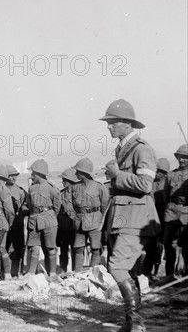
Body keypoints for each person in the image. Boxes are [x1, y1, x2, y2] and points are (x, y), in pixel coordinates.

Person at [100, 99, 160, 332]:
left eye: (113, 122)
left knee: (116, 266)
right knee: (129, 270)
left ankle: (136, 323)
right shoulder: (123, 147)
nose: (109, 126)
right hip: (122, 218)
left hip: (136, 219)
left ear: (127, 123)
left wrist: (116, 174)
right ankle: (132, 323)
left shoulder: (141, 148)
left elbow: (146, 184)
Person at [71, 158, 109, 270]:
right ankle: (78, 272)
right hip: (79, 221)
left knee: (95, 248)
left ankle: (94, 271)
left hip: (95, 220)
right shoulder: (75, 187)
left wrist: (98, 218)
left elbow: (104, 205)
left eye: (77, 171)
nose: (76, 173)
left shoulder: (99, 187)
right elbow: (72, 204)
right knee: (78, 248)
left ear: (84, 173)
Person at [26, 159, 61, 277]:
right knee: (34, 248)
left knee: (51, 248)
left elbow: (57, 207)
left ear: (39, 174)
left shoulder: (52, 188)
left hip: (49, 220)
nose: (31, 176)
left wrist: (49, 217)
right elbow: (30, 205)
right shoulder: (31, 189)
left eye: (33, 174)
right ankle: (31, 273)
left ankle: (52, 274)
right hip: (34, 220)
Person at [142, 158, 170, 279]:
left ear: (164, 172)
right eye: (156, 170)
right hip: (152, 217)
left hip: (165, 216)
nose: (157, 173)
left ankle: (160, 271)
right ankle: (147, 271)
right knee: (150, 246)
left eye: (159, 171)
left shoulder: (167, 183)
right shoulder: (151, 182)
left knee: (164, 245)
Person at [163, 144, 188, 276]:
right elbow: (166, 195)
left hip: (187, 212)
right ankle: (169, 275)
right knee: (168, 244)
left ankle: (184, 275)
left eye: (185, 157)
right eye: (180, 157)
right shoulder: (171, 175)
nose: (182, 160)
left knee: (186, 245)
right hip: (172, 211)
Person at [5, 165, 28, 277]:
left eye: (15, 176)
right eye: (10, 176)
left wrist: (21, 212)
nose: (13, 178)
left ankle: (16, 272)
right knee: (4, 249)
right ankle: (5, 273)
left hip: (17, 224)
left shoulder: (21, 191)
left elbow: (26, 205)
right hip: (4, 224)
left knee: (18, 249)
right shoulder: (2, 190)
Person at [57, 168, 79, 273]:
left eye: (64, 180)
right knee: (63, 249)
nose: (63, 182)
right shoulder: (60, 193)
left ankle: (75, 271)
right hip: (63, 225)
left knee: (75, 249)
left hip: (74, 225)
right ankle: (63, 271)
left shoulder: (77, 193)